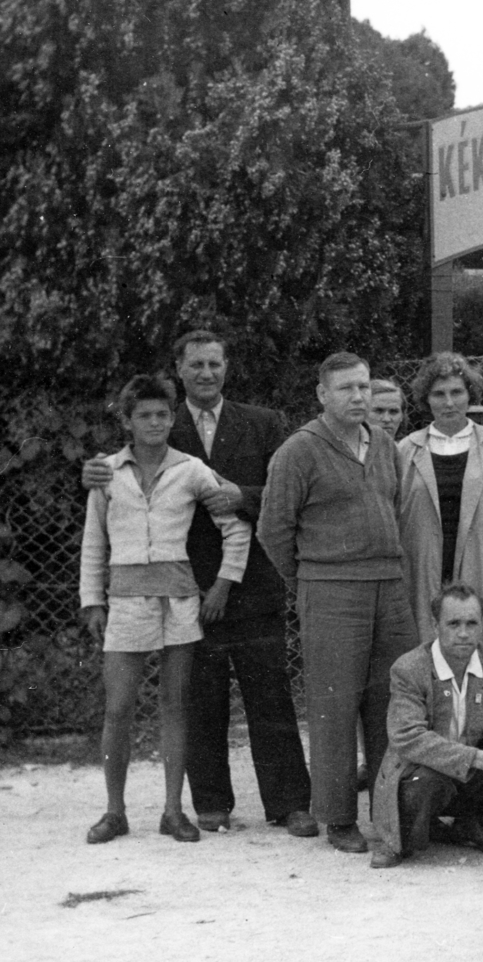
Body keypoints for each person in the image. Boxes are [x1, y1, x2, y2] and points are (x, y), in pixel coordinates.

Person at [81, 331, 314, 838]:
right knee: (199, 701)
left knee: (270, 697)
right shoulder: (163, 423)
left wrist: (240, 496)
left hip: (250, 581)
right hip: (184, 591)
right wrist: (95, 472)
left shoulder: (262, 423)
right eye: (196, 365)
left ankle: (290, 805)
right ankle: (209, 804)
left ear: (227, 367)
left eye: (215, 364)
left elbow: (285, 489)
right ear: (180, 370)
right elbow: (110, 497)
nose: (206, 373)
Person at [258, 351, 418, 855]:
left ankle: (390, 809)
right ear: (323, 395)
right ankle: (338, 816)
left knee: (393, 699)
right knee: (333, 703)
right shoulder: (299, 451)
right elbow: (273, 529)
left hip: (389, 587)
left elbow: (394, 510)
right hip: (331, 590)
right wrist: (313, 576)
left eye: (365, 387)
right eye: (346, 388)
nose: (358, 397)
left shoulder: (386, 446)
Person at [80, 374, 250, 844]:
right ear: (127, 420)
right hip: (127, 602)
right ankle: (114, 812)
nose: (154, 422)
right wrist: (93, 600)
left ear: (172, 417)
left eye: (162, 414)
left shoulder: (192, 468)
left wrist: (222, 583)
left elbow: (235, 527)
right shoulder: (107, 472)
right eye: (144, 415)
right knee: (118, 708)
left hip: (179, 603)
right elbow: (94, 540)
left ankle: (173, 812)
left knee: (176, 707)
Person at [369, 582, 483, 869]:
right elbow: (408, 738)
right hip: (425, 771)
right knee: (424, 783)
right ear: (435, 624)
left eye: (471, 623)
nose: (463, 633)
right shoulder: (409, 668)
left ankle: (475, 827)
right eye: (453, 624)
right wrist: (481, 759)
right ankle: (405, 838)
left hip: (473, 770)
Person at [395, 352, 483, 650]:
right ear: (426, 399)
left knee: (479, 652)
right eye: (439, 394)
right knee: (425, 654)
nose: (449, 402)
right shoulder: (407, 449)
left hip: (480, 567)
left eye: (457, 392)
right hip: (423, 569)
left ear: (470, 395)